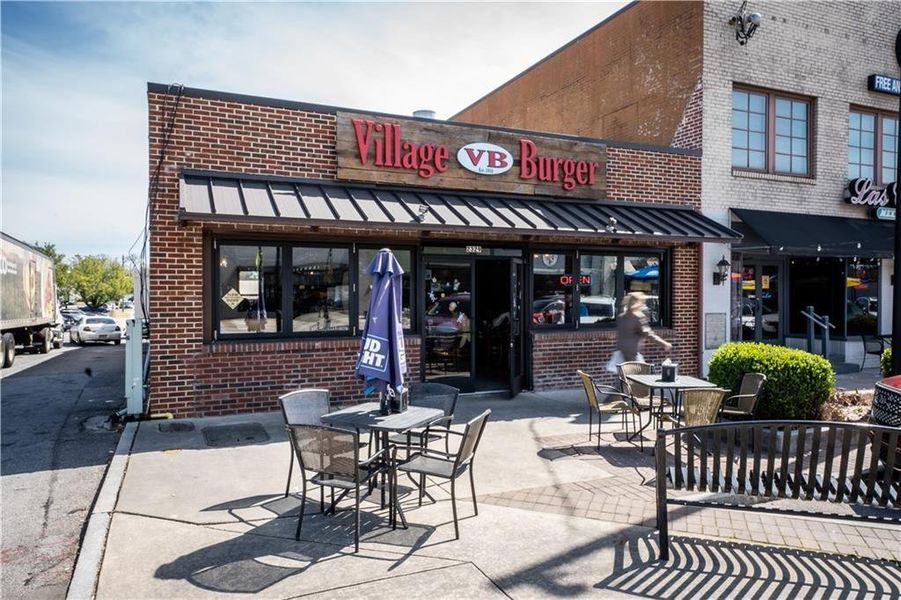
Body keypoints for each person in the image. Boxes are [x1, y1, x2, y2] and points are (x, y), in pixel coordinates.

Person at [611, 292, 672, 367]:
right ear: (637, 303)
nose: (644, 304)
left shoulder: (621, 317)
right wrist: (664, 343)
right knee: (637, 376)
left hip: (621, 351)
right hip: (632, 352)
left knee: (624, 375)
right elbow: (648, 334)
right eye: (642, 302)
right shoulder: (638, 317)